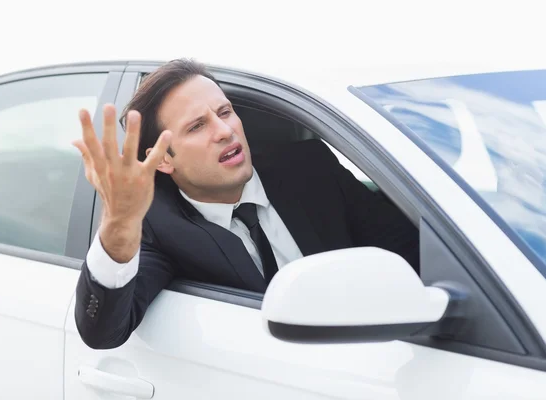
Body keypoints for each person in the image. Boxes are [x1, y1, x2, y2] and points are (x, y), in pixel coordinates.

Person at [73, 58, 419, 350]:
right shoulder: (158, 225)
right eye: (197, 126)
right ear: (164, 159)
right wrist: (119, 226)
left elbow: (412, 250)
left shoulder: (312, 169)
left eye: (225, 112)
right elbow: (103, 331)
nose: (225, 130)